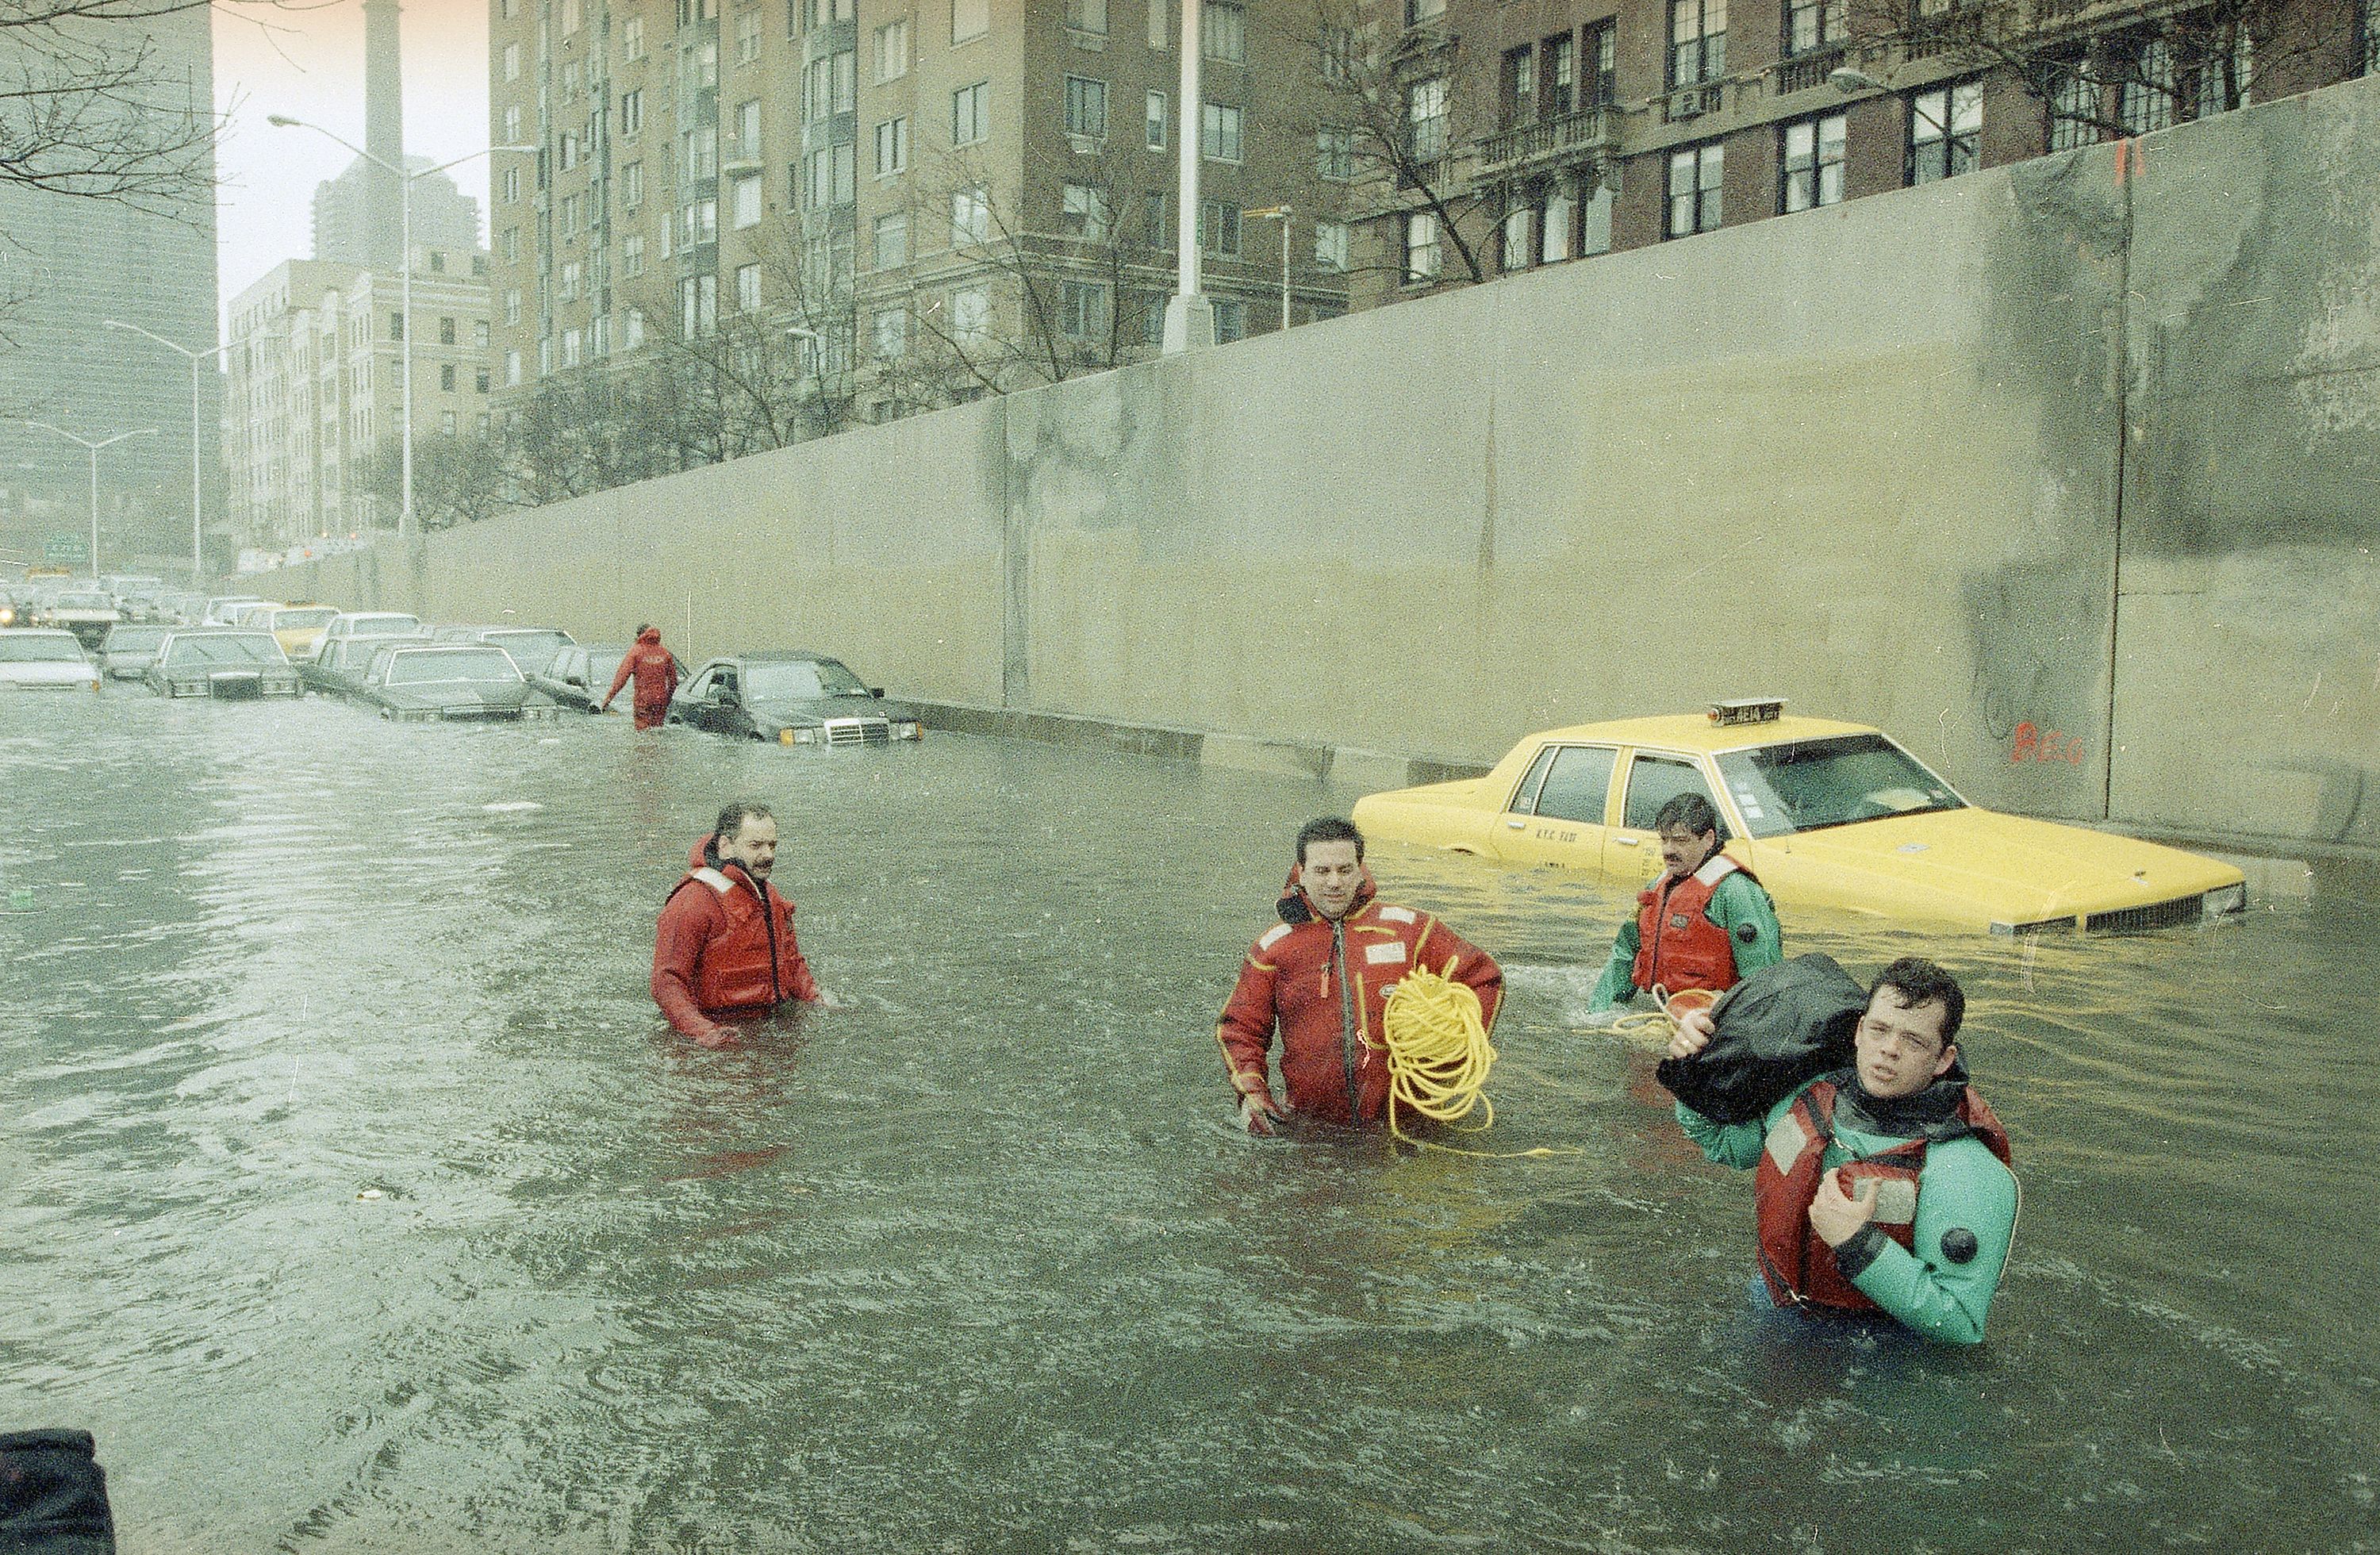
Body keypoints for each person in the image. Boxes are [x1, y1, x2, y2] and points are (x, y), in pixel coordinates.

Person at [1665, 957, 2018, 1345]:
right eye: (1880, 1030)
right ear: (1859, 1031)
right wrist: (1694, 1068)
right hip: (1773, 1305)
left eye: (1913, 1040)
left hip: (1882, 1349)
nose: (1889, 1050)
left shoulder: (1966, 1170)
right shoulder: (1806, 1099)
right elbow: (1723, 1144)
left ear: (1943, 1060)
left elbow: (1961, 1323)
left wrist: (1857, 1243)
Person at [1215, 816, 1502, 1134]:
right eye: (1322, 871)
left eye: (1345, 870)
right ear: (1301, 871)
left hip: (1408, 1121)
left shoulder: (1410, 930)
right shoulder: (1273, 948)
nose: (1335, 883)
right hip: (1312, 1125)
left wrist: (1452, 1056)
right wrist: (1252, 1091)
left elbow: (1484, 977)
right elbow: (1241, 1029)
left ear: (1360, 869)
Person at [651, 801, 825, 1046]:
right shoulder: (691, 901)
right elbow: (666, 982)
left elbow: (792, 962)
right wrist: (705, 1032)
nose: (768, 855)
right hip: (717, 1037)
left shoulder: (769, 896)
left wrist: (817, 1001)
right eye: (756, 845)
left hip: (773, 1028)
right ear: (725, 846)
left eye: (772, 845)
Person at [1588, 792, 1780, 1012]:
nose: (1668, 850)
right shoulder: (1657, 887)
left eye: (1680, 841)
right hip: (1664, 1012)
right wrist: (1597, 1014)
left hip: (1711, 1018)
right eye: (1664, 840)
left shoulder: (1736, 891)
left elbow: (1765, 982)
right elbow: (1624, 955)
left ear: (1708, 839)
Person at [600, 624, 680, 731]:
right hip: (660, 700)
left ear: (639, 635)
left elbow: (621, 679)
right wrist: (667, 698)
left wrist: (607, 700)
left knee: (643, 734)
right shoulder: (665, 653)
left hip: (643, 700)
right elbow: (674, 681)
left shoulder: (635, 652)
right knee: (658, 731)